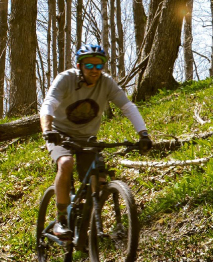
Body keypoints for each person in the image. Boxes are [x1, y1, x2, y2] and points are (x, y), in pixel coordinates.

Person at [40, 44, 152, 238]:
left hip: (86, 138)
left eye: (99, 66)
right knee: (66, 163)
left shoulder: (106, 83)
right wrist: (48, 130)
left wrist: (143, 134)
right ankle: (61, 220)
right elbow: (49, 104)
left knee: (98, 180)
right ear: (79, 66)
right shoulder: (66, 80)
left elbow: (127, 107)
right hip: (59, 134)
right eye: (89, 66)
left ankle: (85, 224)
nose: (94, 71)